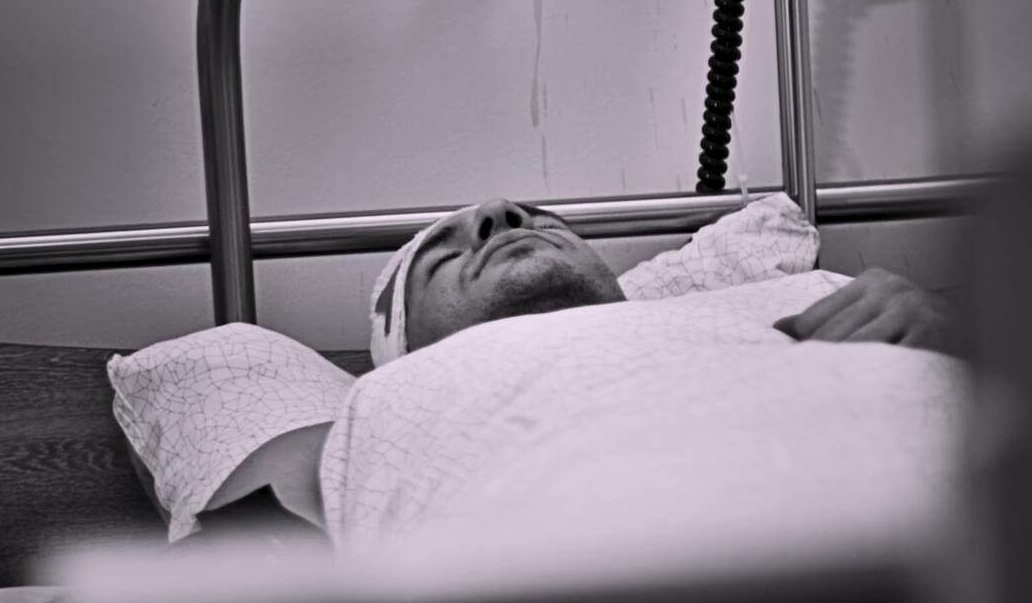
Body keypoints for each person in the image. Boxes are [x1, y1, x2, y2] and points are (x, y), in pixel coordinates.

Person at [195, 197, 964, 533]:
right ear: (404, 349)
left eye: (541, 219)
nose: (500, 211)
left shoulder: (810, 292)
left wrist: (957, 336)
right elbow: (244, 573)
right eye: (442, 257)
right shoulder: (385, 404)